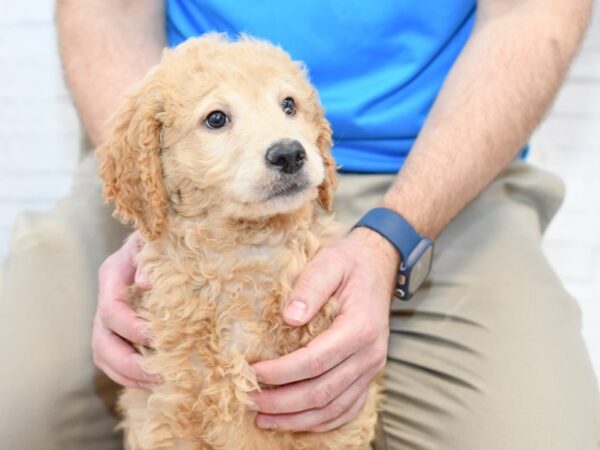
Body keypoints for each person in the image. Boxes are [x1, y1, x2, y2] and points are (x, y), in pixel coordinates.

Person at [1, 0, 599, 449]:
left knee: (544, 436)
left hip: (442, 162)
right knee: (16, 403)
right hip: (181, 173)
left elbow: (535, 14)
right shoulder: (149, 152)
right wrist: (161, 217)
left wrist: (394, 233)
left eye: (290, 106)